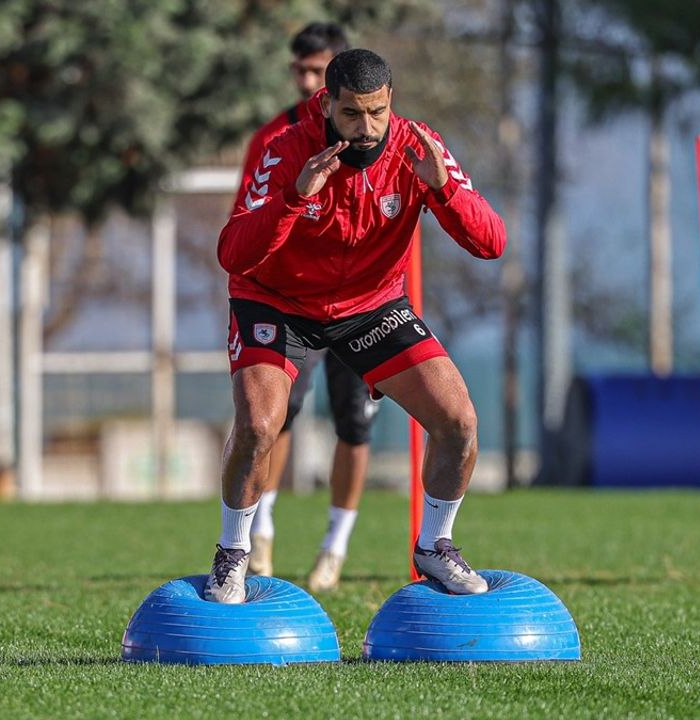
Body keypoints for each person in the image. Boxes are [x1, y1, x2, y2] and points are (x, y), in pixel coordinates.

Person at [206, 48, 507, 603]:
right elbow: (233, 252)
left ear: (391, 101)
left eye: (377, 113)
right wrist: (295, 196)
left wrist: (443, 190)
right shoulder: (286, 149)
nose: (366, 129)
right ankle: (234, 554)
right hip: (276, 302)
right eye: (351, 115)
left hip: (369, 306)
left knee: (459, 420)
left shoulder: (419, 145)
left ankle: (434, 547)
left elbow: (491, 242)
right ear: (327, 104)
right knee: (258, 425)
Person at [231, 22, 379, 593]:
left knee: (355, 424)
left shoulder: (384, 136)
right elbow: (247, 224)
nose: (309, 81)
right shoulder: (274, 138)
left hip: (364, 302)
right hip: (293, 301)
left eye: (319, 70)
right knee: (276, 416)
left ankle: (334, 548)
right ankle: (260, 534)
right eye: (302, 71)